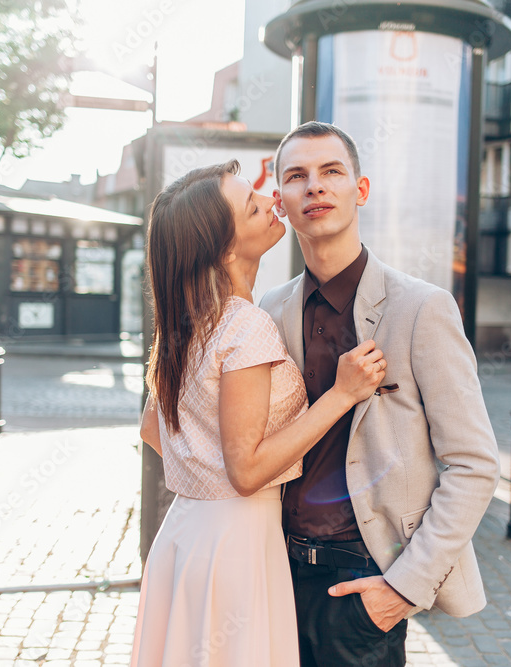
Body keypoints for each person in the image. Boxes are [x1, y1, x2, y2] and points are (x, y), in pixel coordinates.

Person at [260, 121, 501, 666]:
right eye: (297, 176)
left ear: (359, 190)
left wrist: (403, 589)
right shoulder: (268, 310)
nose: (314, 187)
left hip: (364, 579)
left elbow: (475, 464)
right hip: (275, 571)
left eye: (331, 172)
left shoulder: (422, 309)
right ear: (280, 202)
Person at [131, 160, 388, 667]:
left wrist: (207, 481)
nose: (273, 202)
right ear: (226, 248)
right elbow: (246, 471)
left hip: (188, 535)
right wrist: (341, 394)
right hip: (237, 542)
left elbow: (151, 430)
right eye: (253, 206)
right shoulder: (246, 325)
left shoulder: (189, 324)